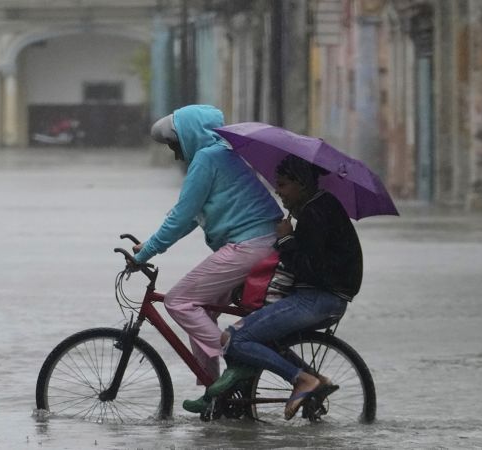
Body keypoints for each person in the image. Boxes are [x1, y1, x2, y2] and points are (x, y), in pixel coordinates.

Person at [183, 155, 363, 419]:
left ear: (300, 184)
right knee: (262, 338)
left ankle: (301, 379)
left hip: (318, 300)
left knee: (235, 338)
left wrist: (286, 238)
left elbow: (307, 267)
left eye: (282, 185)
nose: (278, 191)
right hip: (323, 297)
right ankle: (315, 379)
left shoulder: (315, 213)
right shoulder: (319, 206)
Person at [131, 105, 283, 389]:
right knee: (200, 312)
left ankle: (237, 353)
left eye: (176, 144)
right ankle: (214, 392)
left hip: (249, 246)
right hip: (260, 243)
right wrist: (150, 243)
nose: (176, 153)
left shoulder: (206, 158)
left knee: (178, 302)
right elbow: (192, 214)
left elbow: (181, 216)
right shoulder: (221, 154)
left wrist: (145, 253)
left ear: (191, 136)